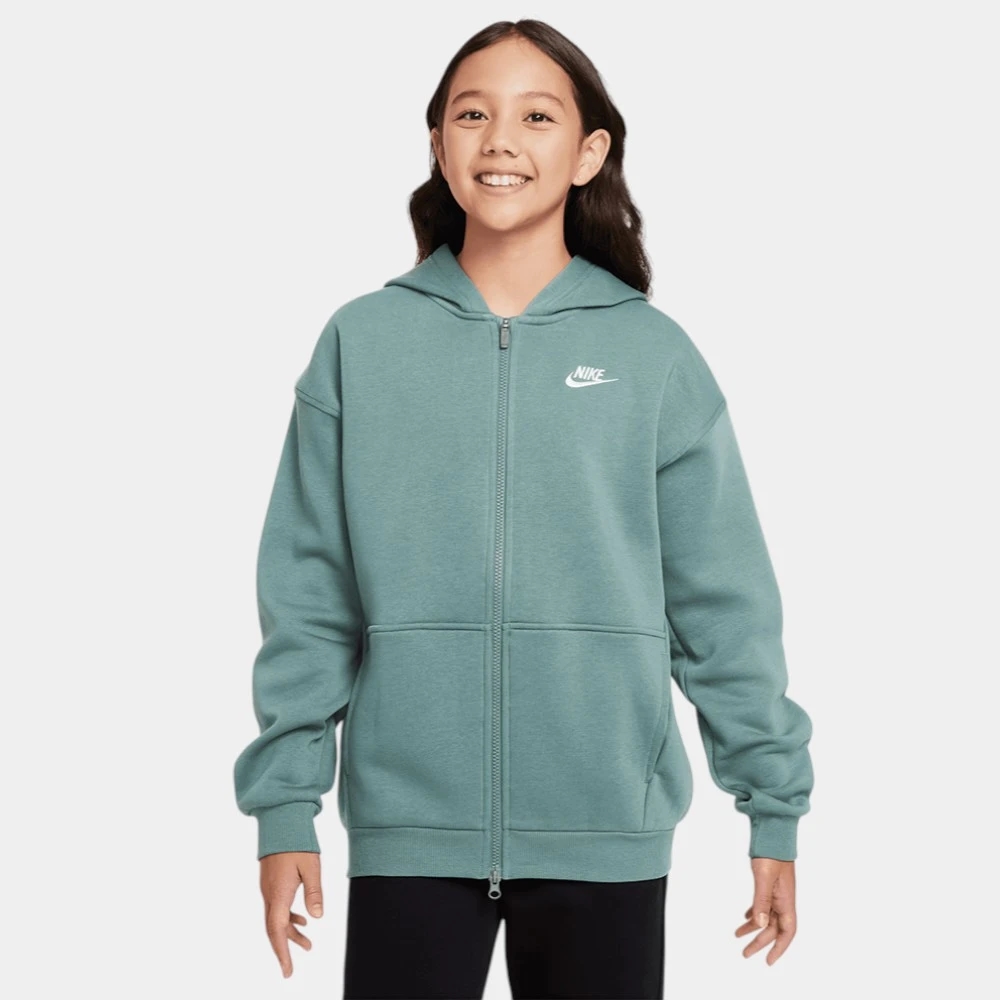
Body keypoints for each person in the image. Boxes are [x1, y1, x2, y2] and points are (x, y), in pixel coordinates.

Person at [233, 18, 815, 1000]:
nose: (500, 139)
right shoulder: (362, 344)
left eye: (537, 116)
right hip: (410, 826)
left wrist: (773, 809)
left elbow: (722, 604)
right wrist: (285, 805)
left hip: (606, 822)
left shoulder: (651, 356)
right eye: (472, 115)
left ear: (589, 153)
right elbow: (309, 595)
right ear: (438, 143)